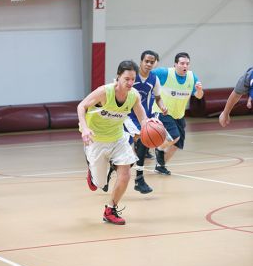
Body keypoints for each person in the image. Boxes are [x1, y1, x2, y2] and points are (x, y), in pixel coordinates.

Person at [77, 60, 151, 225]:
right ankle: (92, 169)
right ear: (118, 77)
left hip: (118, 138)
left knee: (125, 174)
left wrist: (149, 127)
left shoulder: (133, 96)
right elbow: (81, 106)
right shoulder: (104, 92)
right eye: (127, 79)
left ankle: (110, 209)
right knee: (99, 184)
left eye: (133, 79)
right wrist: (85, 128)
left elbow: (143, 119)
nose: (130, 82)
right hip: (96, 139)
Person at [123, 50, 168, 194]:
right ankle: (139, 179)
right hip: (128, 116)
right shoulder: (132, 77)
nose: (149, 64)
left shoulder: (154, 79)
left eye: (152, 62)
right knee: (132, 149)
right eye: (146, 61)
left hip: (144, 118)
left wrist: (162, 107)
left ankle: (138, 179)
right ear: (141, 61)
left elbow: (158, 97)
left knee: (137, 149)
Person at [152, 52, 204, 174]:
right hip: (162, 111)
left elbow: (199, 96)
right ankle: (159, 148)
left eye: (187, 63)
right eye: (181, 63)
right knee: (174, 136)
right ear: (175, 64)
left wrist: (199, 90)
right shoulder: (165, 73)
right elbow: (146, 75)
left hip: (179, 115)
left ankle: (160, 165)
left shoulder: (192, 77)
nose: (184, 65)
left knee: (177, 144)